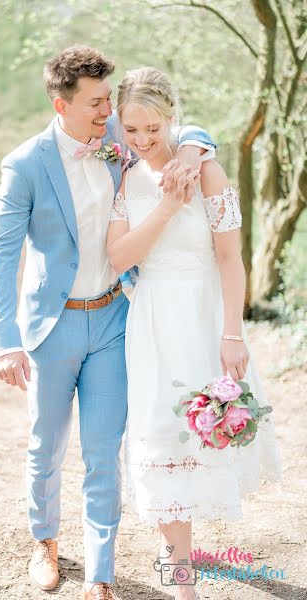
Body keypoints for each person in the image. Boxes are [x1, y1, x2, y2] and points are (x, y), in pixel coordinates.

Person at [0, 46, 216, 600]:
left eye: (108, 98)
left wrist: (187, 147)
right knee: (47, 443)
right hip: (51, 326)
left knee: (104, 447)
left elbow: (191, 126)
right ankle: (44, 541)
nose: (107, 110)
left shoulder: (117, 133)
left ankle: (100, 572)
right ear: (60, 105)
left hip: (114, 317)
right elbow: (0, 253)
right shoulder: (25, 164)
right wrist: (5, 341)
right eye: (95, 101)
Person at [107, 67, 281, 600]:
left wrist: (233, 334)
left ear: (172, 119)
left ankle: (190, 552)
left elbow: (231, 258)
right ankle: (180, 576)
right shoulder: (120, 175)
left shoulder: (207, 171)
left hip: (205, 315)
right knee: (158, 434)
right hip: (154, 318)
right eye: (130, 130)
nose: (141, 141)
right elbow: (119, 257)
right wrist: (165, 205)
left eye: (152, 130)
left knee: (206, 427)